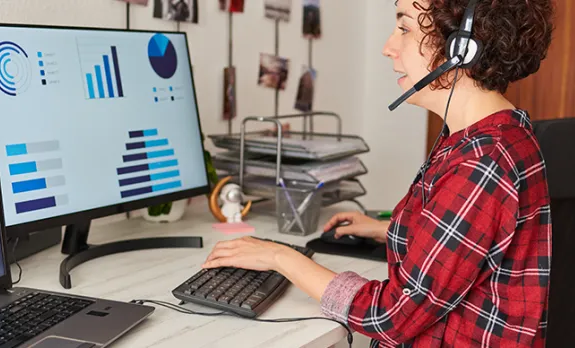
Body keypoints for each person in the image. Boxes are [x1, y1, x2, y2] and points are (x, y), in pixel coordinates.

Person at [202, 0, 555, 346]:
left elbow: (393, 316)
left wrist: (279, 257)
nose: (388, 47)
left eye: (404, 28)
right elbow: (475, 243)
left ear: (462, 48)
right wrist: (388, 229)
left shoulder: (482, 161)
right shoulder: (497, 135)